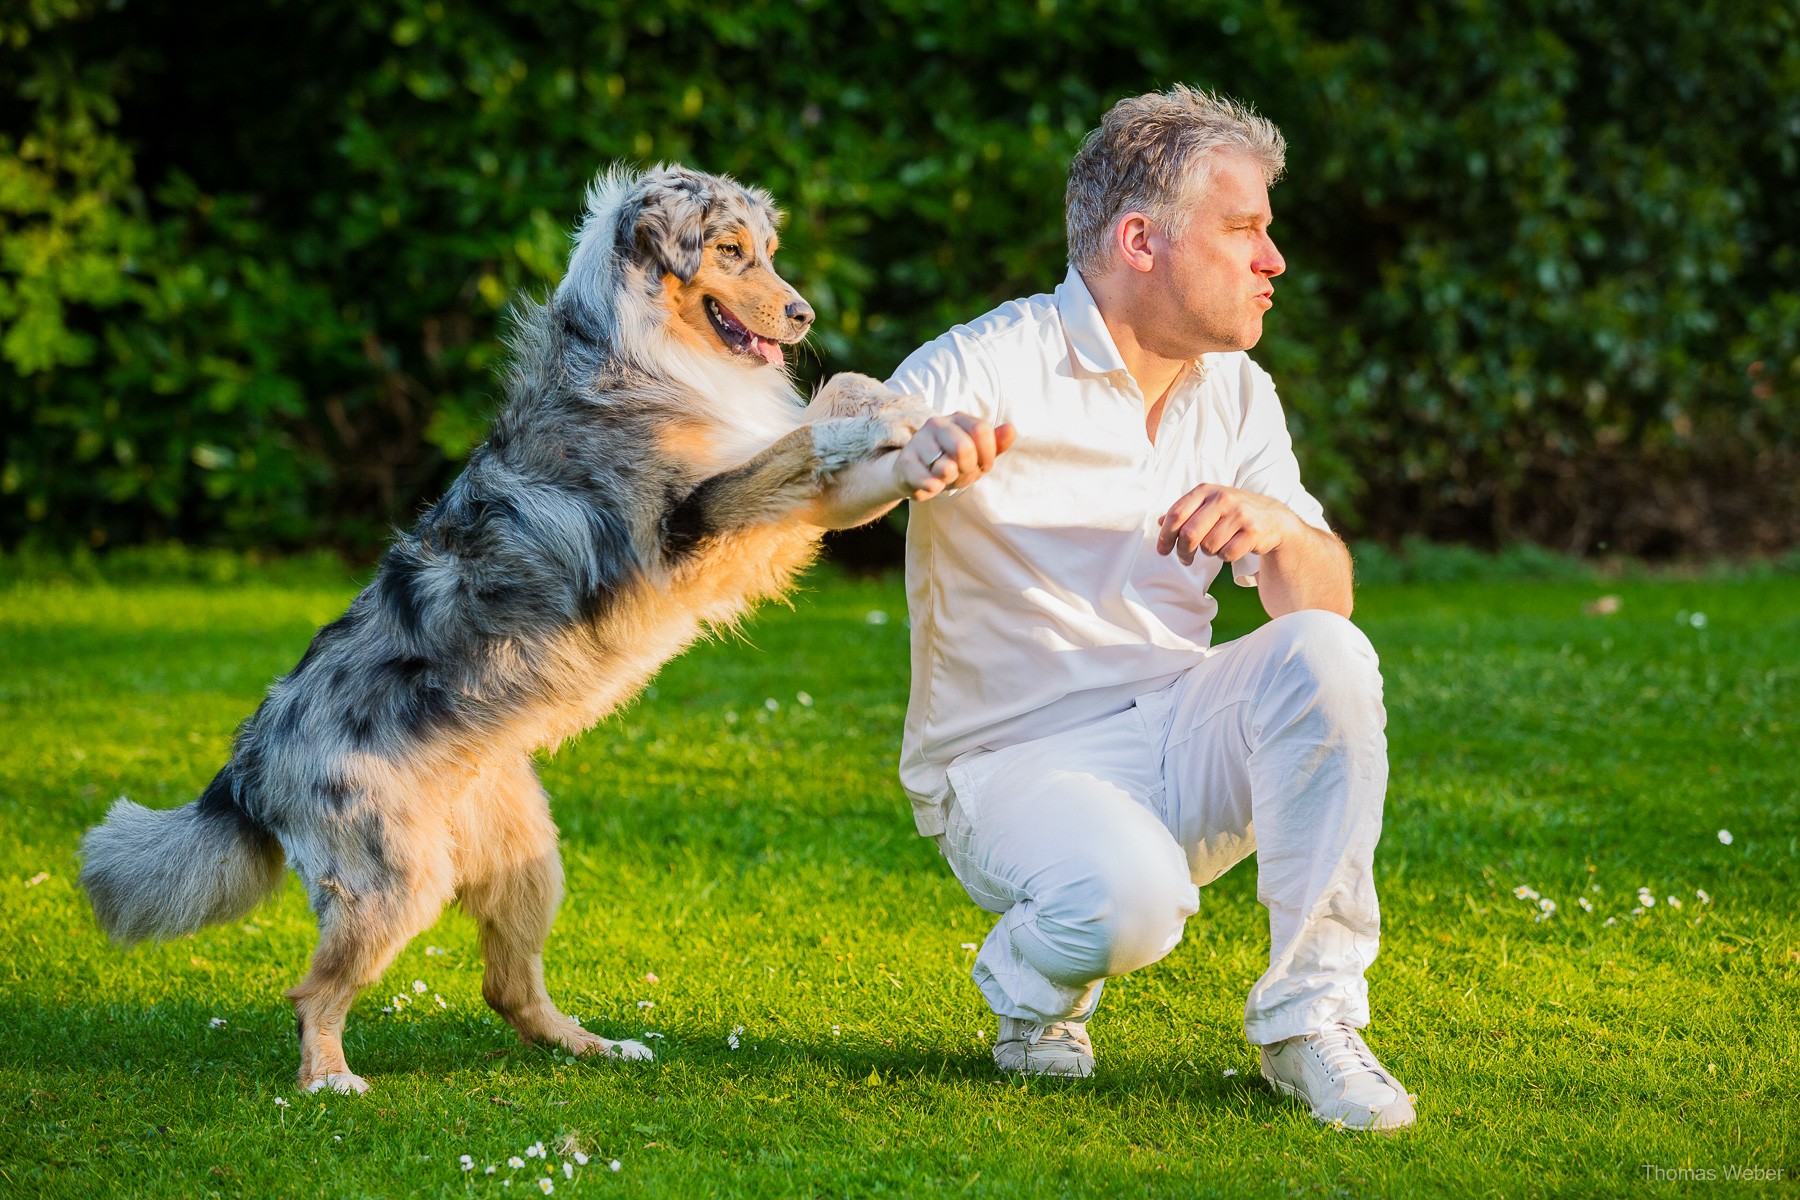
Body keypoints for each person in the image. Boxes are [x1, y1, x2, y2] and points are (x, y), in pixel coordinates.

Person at [806, 85, 1414, 1131]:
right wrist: (907, 453)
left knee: (1329, 656)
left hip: (1180, 733)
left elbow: (1328, 607)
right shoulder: (1000, 356)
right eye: (1244, 231)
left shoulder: (1236, 389)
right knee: (1129, 905)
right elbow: (831, 449)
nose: (1273, 261)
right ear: (1142, 239)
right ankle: (1033, 990)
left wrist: (1279, 530)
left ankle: (1310, 1021)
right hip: (1010, 763)